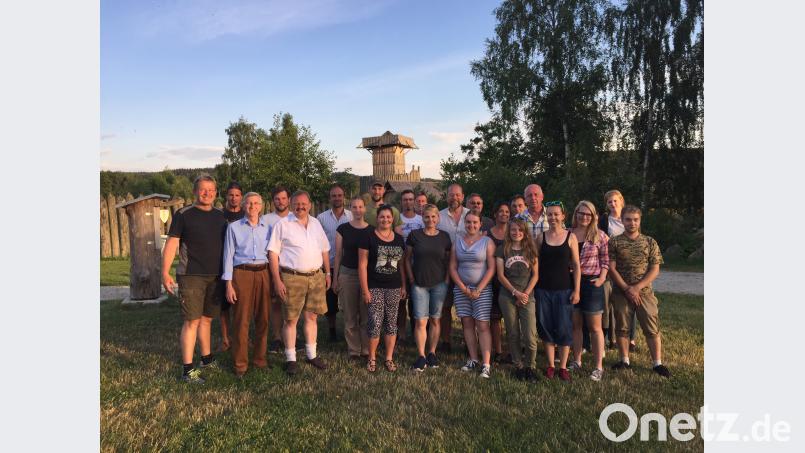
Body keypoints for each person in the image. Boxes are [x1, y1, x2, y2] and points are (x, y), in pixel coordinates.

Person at [162, 174, 228, 384]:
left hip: (215, 275)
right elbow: (172, 243)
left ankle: (206, 359)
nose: (207, 193)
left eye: (211, 190)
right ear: (195, 191)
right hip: (191, 275)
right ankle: (187, 369)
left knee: (207, 319)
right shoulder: (184, 214)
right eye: (203, 189)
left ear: (216, 193)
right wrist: (165, 272)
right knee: (192, 321)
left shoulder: (220, 216)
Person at [267, 190, 331, 375]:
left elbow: (325, 249)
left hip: (315, 276)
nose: (300, 207)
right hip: (292, 277)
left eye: (304, 204)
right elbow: (273, 254)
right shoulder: (282, 225)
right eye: (297, 204)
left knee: (312, 317)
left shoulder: (316, 223)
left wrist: (327, 273)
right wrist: (277, 280)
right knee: (291, 319)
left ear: (309, 205)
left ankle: (311, 355)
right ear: (291, 205)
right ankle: (291, 359)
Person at [608, 205, 671, 378]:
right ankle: (624, 360)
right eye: (628, 219)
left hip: (644, 292)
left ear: (640, 220)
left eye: (635, 219)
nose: (632, 223)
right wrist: (627, 288)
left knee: (651, 325)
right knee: (622, 326)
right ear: (622, 220)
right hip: (622, 291)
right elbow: (611, 269)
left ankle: (657, 363)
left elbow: (655, 269)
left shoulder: (649, 242)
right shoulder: (614, 241)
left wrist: (636, 288)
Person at [221, 192, 272, 378]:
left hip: (263, 273)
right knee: (241, 320)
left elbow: (273, 254)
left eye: (256, 203)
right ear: (243, 205)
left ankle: (260, 359)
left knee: (263, 319)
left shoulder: (268, 228)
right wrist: (228, 284)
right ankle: (240, 364)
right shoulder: (233, 228)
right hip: (241, 274)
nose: (252, 206)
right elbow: (228, 256)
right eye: (249, 203)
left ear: (261, 206)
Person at [534, 201, 581, 382]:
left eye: (556, 214)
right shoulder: (541, 237)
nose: (553, 217)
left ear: (563, 216)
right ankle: (551, 365)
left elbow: (576, 266)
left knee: (563, 328)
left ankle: (563, 367)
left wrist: (576, 290)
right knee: (545, 326)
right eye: (550, 214)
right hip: (543, 289)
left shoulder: (571, 237)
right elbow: (535, 264)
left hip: (564, 289)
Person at [358, 205, 407, 372]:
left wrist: (403, 285)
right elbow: (362, 265)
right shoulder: (368, 236)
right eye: (382, 217)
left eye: (388, 217)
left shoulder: (399, 239)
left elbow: (401, 265)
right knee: (375, 322)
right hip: (375, 286)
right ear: (377, 218)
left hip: (394, 287)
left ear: (392, 219)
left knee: (391, 323)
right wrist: (365, 290)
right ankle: (372, 358)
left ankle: (388, 358)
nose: (385, 219)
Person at [405, 204, 452, 371]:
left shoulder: (445, 237)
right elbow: (407, 258)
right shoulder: (414, 235)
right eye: (427, 217)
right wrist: (411, 278)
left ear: (438, 218)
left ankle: (432, 352)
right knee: (420, 321)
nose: (430, 220)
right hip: (419, 284)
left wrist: (446, 279)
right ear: (422, 218)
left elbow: (449, 260)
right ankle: (421, 355)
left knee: (435, 319)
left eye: (433, 217)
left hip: (439, 283)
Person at [449, 212, 497, 379]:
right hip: (462, 290)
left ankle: (486, 363)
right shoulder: (457, 242)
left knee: (482, 325)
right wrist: (463, 288)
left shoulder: (487, 242)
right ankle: (473, 359)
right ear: (464, 223)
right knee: (467, 324)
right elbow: (453, 267)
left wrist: (478, 289)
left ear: (480, 223)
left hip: (481, 290)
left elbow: (491, 268)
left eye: (475, 222)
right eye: (468, 222)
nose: (471, 225)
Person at [568, 201, 609, 382]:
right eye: (581, 213)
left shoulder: (600, 236)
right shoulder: (568, 234)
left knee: (594, 327)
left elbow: (606, 260)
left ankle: (598, 366)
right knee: (576, 325)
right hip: (571, 282)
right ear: (576, 214)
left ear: (593, 217)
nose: (584, 217)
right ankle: (577, 361)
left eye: (588, 214)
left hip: (592, 283)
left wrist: (601, 279)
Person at [495, 218, 539, 382]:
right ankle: (519, 366)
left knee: (529, 336)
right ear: (509, 231)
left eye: (520, 230)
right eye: (513, 230)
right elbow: (500, 275)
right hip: (508, 296)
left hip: (528, 296)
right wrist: (515, 293)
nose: (516, 233)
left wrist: (525, 294)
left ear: (525, 232)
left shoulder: (530, 249)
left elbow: (535, 275)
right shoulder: (502, 249)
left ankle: (530, 366)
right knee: (513, 333)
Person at [333, 196, 373, 360]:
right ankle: (354, 350)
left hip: (366, 277)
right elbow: (337, 255)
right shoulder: (343, 229)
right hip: (347, 274)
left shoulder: (372, 230)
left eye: (360, 207)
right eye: (354, 207)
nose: (357, 210)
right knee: (350, 315)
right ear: (351, 209)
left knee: (365, 315)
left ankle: (365, 349)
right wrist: (335, 278)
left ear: (364, 209)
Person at [597, 189, 637, 351]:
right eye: (609, 202)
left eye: (615, 201)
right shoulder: (605, 220)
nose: (613, 204)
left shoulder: (629, 218)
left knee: (629, 300)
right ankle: (612, 338)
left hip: (627, 265)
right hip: (609, 264)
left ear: (621, 201)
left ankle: (631, 338)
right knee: (610, 302)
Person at [317, 184, 353, 342]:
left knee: (349, 302)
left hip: (348, 266)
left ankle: (350, 330)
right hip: (328, 265)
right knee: (330, 303)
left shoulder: (352, 216)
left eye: (339, 195)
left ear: (344, 197)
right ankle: (332, 331)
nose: (337, 198)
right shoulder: (321, 218)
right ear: (329, 198)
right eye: (334, 196)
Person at [436, 183, 470, 353]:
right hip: (444, 267)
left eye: (457, 195)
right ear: (446, 196)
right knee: (445, 306)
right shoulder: (439, 217)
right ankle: (446, 341)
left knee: (466, 308)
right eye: (451, 195)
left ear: (462, 197)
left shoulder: (470, 216)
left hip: (466, 268)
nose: (454, 198)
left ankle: (468, 341)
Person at [218, 181, 246, 353]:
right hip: (222, 263)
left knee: (241, 305)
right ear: (226, 196)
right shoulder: (219, 215)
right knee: (224, 306)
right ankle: (225, 339)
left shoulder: (246, 214)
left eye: (237, 195)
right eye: (231, 195)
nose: (234, 198)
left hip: (241, 265)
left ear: (241, 197)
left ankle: (242, 337)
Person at [394, 189, 423, 344]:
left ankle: (415, 331)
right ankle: (402, 333)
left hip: (418, 264)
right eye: (405, 199)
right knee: (401, 301)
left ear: (414, 201)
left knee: (416, 301)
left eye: (411, 199)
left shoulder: (421, 219)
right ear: (401, 202)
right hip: (399, 263)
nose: (408, 202)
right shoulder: (397, 219)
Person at [264, 186, 291, 353]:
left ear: (288, 199)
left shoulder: (296, 217)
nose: (280, 202)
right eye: (277, 199)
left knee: (291, 304)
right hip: (273, 266)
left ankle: (291, 335)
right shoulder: (266, 220)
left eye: (283, 198)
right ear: (273, 201)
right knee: (275, 303)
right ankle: (276, 337)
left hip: (291, 268)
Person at [486, 202, 511, 363]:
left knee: (511, 318)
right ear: (495, 214)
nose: (504, 214)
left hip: (511, 280)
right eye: (500, 211)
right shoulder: (487, 234)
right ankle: (498, 351)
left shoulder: (514, 232)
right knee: (494, 318)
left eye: (507, 211)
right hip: (492, 279)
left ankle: (511, 350)